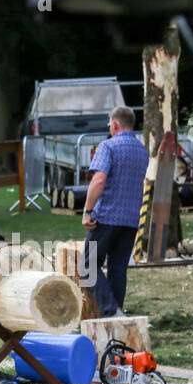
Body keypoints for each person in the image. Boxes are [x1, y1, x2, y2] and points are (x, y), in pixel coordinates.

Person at [82, 105, 147, 318]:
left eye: (110, 123)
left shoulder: (108, 146)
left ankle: (110, 311)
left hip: (107, 216)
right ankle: (117, 316)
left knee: (87, 266)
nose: (109, 127)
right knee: (118, 268)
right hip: (130, 219)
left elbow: (99, 180)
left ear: (116, 124)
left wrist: (88, 210)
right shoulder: (142, 150)